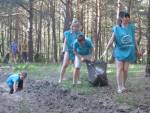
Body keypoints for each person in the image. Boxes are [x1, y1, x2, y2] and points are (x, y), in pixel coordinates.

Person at [102, 11, 139, 93]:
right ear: (121, 18)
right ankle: (119, 87)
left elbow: (134, 39)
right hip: (119, 50)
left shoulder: (131, 27)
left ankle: (123, 85)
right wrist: (106, 49)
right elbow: (112, 39)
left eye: (128, 17)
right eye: (125, 17)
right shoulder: (116, 28)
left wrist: (138, 49)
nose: (127, 18)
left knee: (125, 70)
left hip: (129, 50)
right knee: (119, 69)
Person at [59, 18, 83, 83]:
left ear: (79, 27)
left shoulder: (80, 34)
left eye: (77, 26)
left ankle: (77, 80)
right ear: (72, 26)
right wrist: (63, 50)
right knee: (65, 65)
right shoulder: (67, 33)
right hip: (68, 50)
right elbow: (65, 42)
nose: (75, 28)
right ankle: (61, 78)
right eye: (74, 26)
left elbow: (81, 43)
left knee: (77, 66)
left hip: (76, 51)